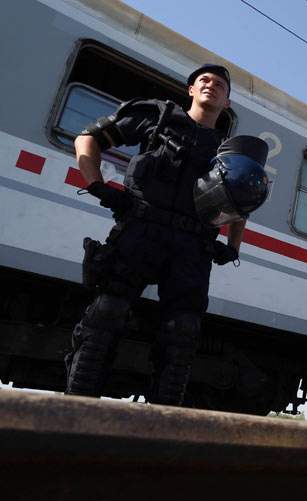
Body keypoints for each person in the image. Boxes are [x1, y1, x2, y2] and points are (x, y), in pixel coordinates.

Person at [65, 64, 260, 406]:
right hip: (141, 230)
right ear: (190, 90)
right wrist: (96, 184)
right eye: (203, 81)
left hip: (193, 246)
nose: (210, 86)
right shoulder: (156, 117)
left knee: (183, 330)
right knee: (108, 311)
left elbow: (241, 202)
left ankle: (164, 422)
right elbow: (87, 139)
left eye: (219, 85)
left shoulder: (228, 152)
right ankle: (76, 410)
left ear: (227, 102)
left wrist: (232, 245)